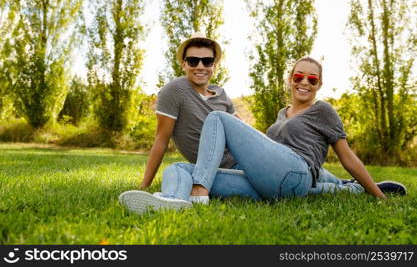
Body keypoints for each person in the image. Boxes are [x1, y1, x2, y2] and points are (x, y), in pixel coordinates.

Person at [119, 57, 406, 214]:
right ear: (290, 79)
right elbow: (273, 155)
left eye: (312, 79)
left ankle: (199, 193)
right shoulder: (282, 114)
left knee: (218, 117)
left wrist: (378, 196)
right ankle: (171, 202)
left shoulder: (323, 110)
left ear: (319, 84)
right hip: (271, 182)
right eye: (298, 77)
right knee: (181, 167)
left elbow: (346, 157)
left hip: (296, 173)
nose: (304, 82)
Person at [138, 33, 259, 203]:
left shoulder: (221, 94)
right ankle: (171, 202)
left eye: (207, 61)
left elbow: (247, 133)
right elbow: (161, 140)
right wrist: (144, 186)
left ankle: (178, 198)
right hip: (214, 172)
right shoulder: (174, 91)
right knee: (175, 169)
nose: (200, 66)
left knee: (181, 170)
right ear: (184, 64)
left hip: (247, 167)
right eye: (193, 61)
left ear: (214, 65)